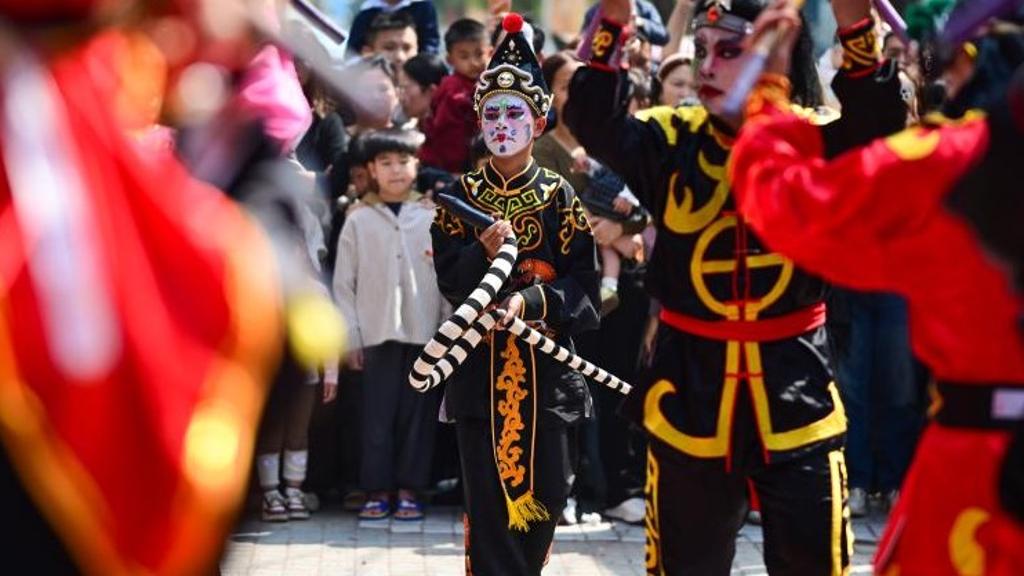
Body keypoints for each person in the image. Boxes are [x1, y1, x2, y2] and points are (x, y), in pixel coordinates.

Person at [564, 0, 906, 573]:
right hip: (688, 393)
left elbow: (882, 121)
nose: (706, 67)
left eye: (729, 51)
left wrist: (854, 24)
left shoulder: (814, 139)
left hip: (796, 388)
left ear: (776, 53)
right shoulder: (670, 138)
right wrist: (615, 21)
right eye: (702, 50)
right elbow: (593, 117)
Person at [729, 4, 1024, 573]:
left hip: (978, 479)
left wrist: (766, 89)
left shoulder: (944, 161)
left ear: (972, 58)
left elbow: (790, 203)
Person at [430, 13, 600, 574]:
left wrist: (531, 302)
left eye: (515, 113)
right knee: (487, 505)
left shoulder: (559, 196)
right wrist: (482, 253)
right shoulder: (461, 197)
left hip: (544, 370)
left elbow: (584, 283)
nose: (502, 124)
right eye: (492, 113)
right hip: (479, 368)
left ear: (539, 121)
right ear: (479, 120)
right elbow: (450, 279)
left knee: (546, 496)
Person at [333, 128, 444, 521]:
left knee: (418, 415)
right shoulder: (358, 220)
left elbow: (444, 278)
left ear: (417, 166)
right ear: (371, 170)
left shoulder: (431, 216)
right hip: (374, 331)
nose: (395, 170)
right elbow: (343, 283)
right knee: (375, 416)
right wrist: (351, 336)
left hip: (424, 331)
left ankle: (411, 488)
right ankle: (376, 489)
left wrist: (446, 330)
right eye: (386, 163)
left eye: (403, 162)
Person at [419, 18, 488, 174]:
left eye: (479, 54)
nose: (473, 62)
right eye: (464, 57)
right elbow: (448, 137)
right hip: (447, 167)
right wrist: (456, 172)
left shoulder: (488, 82)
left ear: (490, 52)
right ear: (450, 60)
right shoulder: (452, 89)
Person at [346, 0, 440, 59]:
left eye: (406, 48)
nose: (399, 57)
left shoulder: (423, 7)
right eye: (389, 48)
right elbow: (352, 54)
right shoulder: (366, 13)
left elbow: (430, 45)